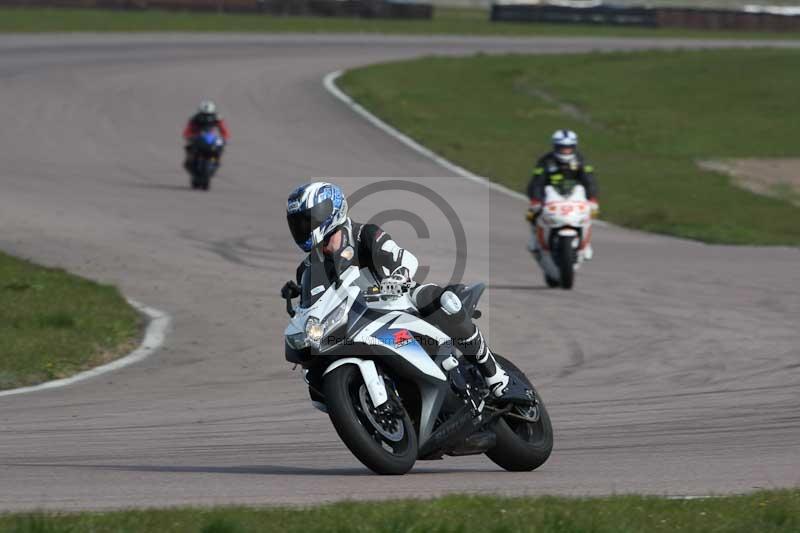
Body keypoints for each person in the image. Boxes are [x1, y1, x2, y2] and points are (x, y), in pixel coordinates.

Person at [280, 181, 533, 404]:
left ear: (330, 213)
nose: (302, 228)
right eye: (298, 223)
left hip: (395, 300)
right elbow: (312, 305)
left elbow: (404, 259)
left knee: (441, 300)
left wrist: (397, 278)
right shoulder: (308, 268)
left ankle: (496, 377)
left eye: (307, 220)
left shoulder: (363, 234)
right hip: (355, 324)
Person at [526, 129, 599, 258]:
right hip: (551, 196)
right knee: (532, 214)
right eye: (562, 148)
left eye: (569, 148)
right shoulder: (545, 161)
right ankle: (535, 238)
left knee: (591, 213)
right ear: (555, 146)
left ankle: (586, 243)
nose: (566, 151)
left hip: (575, 196)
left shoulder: (580, 160)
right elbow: (537, 182)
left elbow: (589, 180)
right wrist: (536, 200)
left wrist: (592, 198)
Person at [182, 100, 230, 172]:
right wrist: (189, 136)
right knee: (189, 147)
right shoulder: (195, 118)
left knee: (219, 147)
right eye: (204, 114)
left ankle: (215, 161)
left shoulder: (217, 118)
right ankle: (190, 161)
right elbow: (188, 130)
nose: (206, 117)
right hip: (197, 137)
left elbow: (223, 129)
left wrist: (224, 138)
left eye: (208, 114)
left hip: (210, 138)